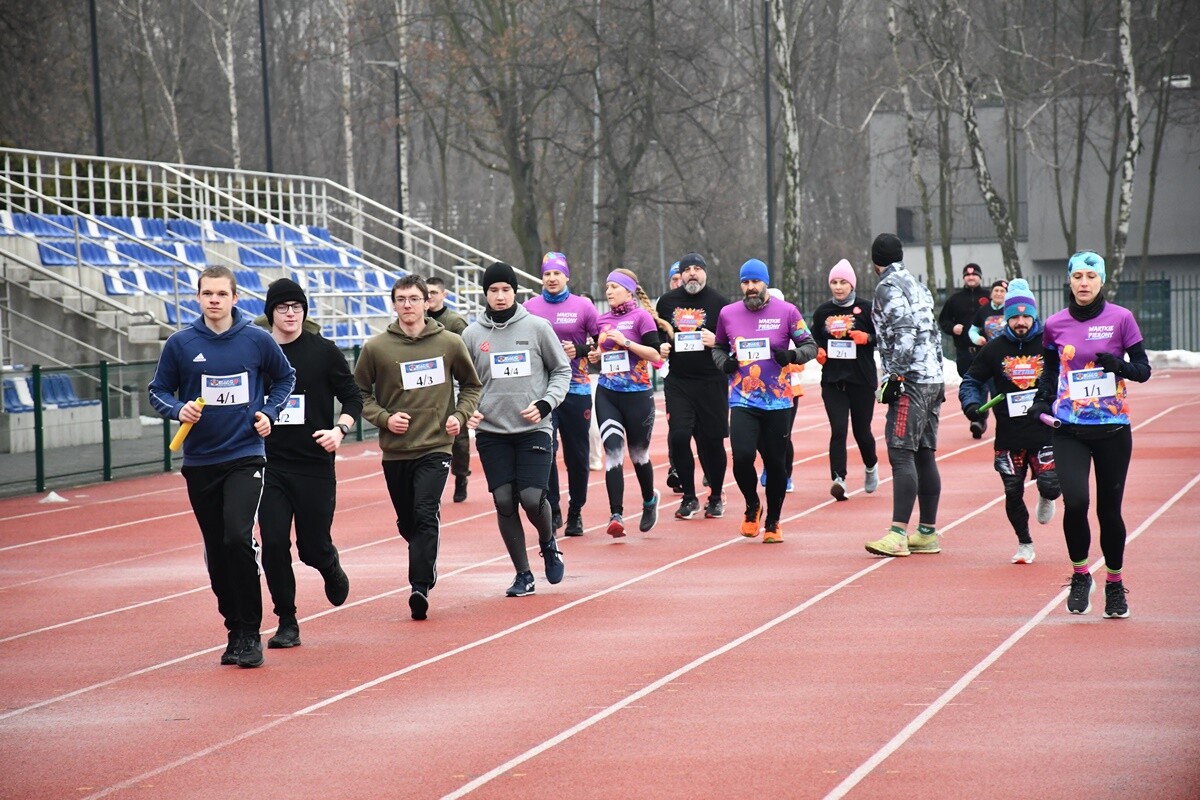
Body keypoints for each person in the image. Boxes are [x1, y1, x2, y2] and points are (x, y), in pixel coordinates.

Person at [148, 265, 296, 668]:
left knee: (236, 537)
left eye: (221, 293)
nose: (213, 300)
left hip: (245, 454)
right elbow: (157, 391)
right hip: (200, 460)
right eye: (206, 293)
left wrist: (268, 411)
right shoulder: (180, 344)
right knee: (217, 550)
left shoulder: (256, 339)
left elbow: (285, 378)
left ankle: (251, 632)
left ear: (235, 298)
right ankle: (233, 629)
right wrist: (178, 409)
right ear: (197, 298)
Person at [1029, 251, 1151, 618]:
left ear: (1101, 281)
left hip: (1113, 429)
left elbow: (1143, 370)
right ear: (1069, 280)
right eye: (1077, 276)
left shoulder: (1121, 319)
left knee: (1109, 510)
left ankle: (1114, 583)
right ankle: (1081, 574)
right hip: (1070, 430)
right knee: (1077, 502)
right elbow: (1050, 373)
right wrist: (1040, 401)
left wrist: (1120, 367)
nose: (1084, 283)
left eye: (1090, 276)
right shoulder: (1054, 324)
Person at [353, 275, 482, 621]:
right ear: (393, 305)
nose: (407, 305)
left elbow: (472, 385)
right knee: (408, 522)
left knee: (426, 514)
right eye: (401, 299)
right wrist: (383, 418)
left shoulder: (450, 343)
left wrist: (460, 415)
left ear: (427, 303)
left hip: (437, 446)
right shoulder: (377, 348)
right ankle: (423, 557)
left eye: (414, 298)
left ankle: (419, 586)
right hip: (396, 450)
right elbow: (359, 395)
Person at [255, 279, 362, 650]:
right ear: (271, 312)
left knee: (311, 547)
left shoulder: (324, 352)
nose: (290, 313)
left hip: (315, 464)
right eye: (283, 307)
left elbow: (353, 398)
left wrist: (340, 430)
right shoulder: (257, 353)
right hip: (269, 464)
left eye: (296, 307)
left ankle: (329, 565)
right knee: (272, 543)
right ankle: (287, 619)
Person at [463, 262, 572, 596]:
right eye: (493, 290)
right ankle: (523, 574)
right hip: (492, 431)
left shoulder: (538, 327)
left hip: (533, 427)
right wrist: (466, 410)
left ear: (515, 292)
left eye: (505, 290)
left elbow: (562, 371)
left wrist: (545, 403)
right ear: (485, 294)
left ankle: (548, 541)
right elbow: (462, 383)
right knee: (504, 499)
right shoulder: (471, 335)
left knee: (531, 496)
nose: (499, 296)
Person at [713, 258, 816, 543]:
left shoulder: (787, 312)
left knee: (775, 463)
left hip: (778, 402)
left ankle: (773, 520)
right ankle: (752, 506)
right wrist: (724, 363)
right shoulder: (728, 314)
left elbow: (810, 345)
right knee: (743, 456)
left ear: (765, 282)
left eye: (755, 282)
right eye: (745, 282)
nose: (750, 288)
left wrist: (792, 356)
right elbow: (720, 347)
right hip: (742, 399)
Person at [959, 279, 1059, 565]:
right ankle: (1024, 543)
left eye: (1026, 316)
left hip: (1044, 431)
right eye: (1014, 316)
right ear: (1006, 318)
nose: (1021, 322)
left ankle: (1047, 494)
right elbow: (971, 380)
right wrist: (972, 404)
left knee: (1051, 485)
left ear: (1034, 316)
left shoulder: (1048, 346)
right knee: (1012, 491)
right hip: (1009, 435)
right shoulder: (993, 349)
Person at [863, 234, 946, 558]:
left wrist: (895, 375)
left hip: (911, 380)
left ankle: (898, 533)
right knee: (924, 452)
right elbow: (931, 329)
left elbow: (905, 329)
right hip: (932, 377)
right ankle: (926, 532)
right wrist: (938, 375)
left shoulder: (887, 288)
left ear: (875, 262)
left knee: (901, 453)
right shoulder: (916, 283)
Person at [524, 252, 600, 536]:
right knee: (546, 450)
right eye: (547, 274)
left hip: (576, 387)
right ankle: (553, 508)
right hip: (542, 391)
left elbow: (600, 343)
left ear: (567, 276)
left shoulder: (583, 306)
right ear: (541, 278)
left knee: (577, 455)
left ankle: (576, 510)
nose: (552, 279)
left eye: (557, 273)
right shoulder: (530, 307)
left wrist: (579, 350)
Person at [587, 268, 667, 537]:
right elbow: (600, 352)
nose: (608, 291)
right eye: (606, 287)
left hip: (638, 396)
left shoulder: (642, 317)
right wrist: (597, 355)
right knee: (612, 451)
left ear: (628, 290)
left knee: (638, 455)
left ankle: (649, 500)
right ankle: (616, 515)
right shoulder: (602, 320)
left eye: (613, 287)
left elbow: (655, 355)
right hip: (608, 393)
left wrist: (627, 343)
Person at [655, 252, 729, 521]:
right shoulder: (666, 302)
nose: (692, 274)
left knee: (711, 443)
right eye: (688, 270)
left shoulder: (720, 303)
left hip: (712, 381)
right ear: (681, 274)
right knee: (678, 436)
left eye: (698, 269)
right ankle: (689, 497)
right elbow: (657, 335)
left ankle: (717, 496)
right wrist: (659, 347)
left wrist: (717, 341)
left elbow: (733, 341)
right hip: (680, 382)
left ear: (705, 273)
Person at [808, 259, 879, 501]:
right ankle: (839, 479)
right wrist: (817, 350)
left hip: (861, 379)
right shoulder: (823, 312)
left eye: (843, 282)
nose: (838, 287)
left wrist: (867, 338)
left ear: (852, 284)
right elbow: (812, 339)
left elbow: (884, 336)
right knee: (838, 429)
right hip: (833, 381)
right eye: (834, 282)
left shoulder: (867, 309)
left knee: (862, 432)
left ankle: (871, 466)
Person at [425, 276, 472, 503]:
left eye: (434, 292)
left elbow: (466, 356)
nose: (430, 296)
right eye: (426, 292)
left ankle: (461, 475)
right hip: (425, 384)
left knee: (458, 437)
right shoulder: (418, 320)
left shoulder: (455, 322)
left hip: (451, 382)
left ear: (444, 295)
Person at [938, 263, 990, 438]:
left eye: (974, 275)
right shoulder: (955, 299)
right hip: (965, 351)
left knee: (984, 384)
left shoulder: (989, 296)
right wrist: (953, 328)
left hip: (987, 349)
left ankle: (979, 418)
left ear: (980, 277)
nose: (971, 278)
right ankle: (976, 414)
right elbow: (943, 321)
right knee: (970, 382)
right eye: (967, 275)